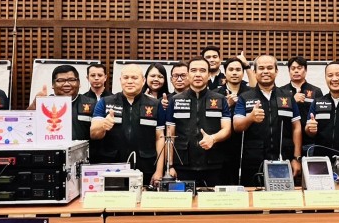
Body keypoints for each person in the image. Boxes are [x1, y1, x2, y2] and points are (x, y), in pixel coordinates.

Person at [90, 64, 166, 184]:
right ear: (120, 80)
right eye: (126, 78)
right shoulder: (105, 102)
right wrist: (103, 126)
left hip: (146, 167)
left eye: (134, 78)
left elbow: (160, 138)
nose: (130, 81)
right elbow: (93, 134)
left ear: (143, 81)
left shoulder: (156, 105)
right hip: (112, 168)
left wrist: (159, 171)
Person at [233, 55, 302, 187]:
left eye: (270, 68)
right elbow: (237, 126)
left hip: (283, 160)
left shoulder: (287, 97)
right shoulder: (245, 97)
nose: (265, 71)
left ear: (276, 71)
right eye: (261, 68)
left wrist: (296, 158)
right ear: (254, 72)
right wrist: (250, 118)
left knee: (282, 198)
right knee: (253, 198)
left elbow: (296, 127)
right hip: (253, 161)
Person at [163, 57, 231, 186]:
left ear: (209, 74)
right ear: (188, 74)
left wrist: (213, 138)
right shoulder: (175, 100)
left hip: (213, 164)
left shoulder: (220, 99)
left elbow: (227, 129)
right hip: (183, 165)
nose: (198, 74)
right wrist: (170, 166)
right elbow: (169, 135)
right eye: (193, 70)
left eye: (202, 70)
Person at [30, 65, 96, 141]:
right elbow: (27, 125)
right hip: (51, 147)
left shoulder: (92, 104)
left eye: (71, 80)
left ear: (79, 83)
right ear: (53, 84)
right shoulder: (45, 103)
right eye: (61, 80)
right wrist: (34, 105)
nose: (66, 84)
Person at [216, 57, 252, 184]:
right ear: (225, 73)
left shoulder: (251, 93)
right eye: (231, 70)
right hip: (222, 147)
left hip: (246, 145)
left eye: (238, 69)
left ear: (243, 72)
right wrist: (227, 105)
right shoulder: (215, 94)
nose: (234, 73)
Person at [280, 56, 323, 152]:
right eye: (293, 68)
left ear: (306, 70)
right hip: (287, 142)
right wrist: (292, 101)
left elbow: (320, 116)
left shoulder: (316, 91)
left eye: (299, 68)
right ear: (289, 71)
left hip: (310, 142)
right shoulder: (281, 91)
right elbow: (278, 116)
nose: (296, 71)